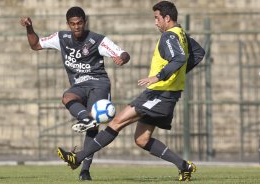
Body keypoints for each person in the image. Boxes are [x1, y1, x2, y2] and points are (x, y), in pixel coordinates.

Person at [57, 1, 205, 182]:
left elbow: (180, 58)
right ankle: (185, 167)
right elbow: (198, 53)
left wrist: (159, 76)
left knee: (117, 122)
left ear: (167, 18)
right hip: (164, 93)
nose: (156, 22)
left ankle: (77, 158)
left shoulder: (169, 36)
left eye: (157, 18)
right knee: (142, 139)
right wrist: (178, 74)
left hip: (160, 93)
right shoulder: (180, 33)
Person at [20, 6, 130, 181]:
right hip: (78, 85)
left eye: (79, 23)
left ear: (84, 23)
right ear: (68, 24)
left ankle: (85, 170)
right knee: (67, 97)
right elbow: (35, 45)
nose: (76, 27)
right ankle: (86, 119)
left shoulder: (97, 40)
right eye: (73, 24)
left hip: (98, 83)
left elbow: (123, 53)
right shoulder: (61, 38)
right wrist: (29, 27)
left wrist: (121, 59)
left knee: (93, 129)